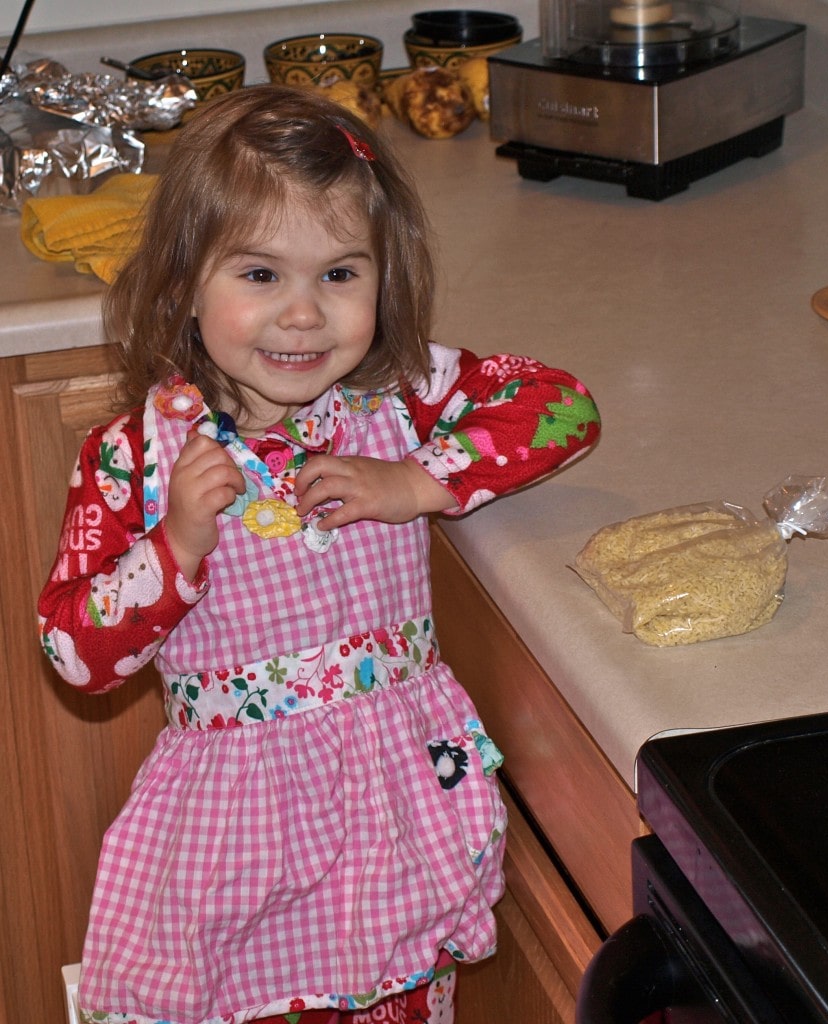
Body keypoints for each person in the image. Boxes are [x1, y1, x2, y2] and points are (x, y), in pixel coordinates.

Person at [38, 84, 601, 1024]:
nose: (304, 317)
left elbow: (564, 405)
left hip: (394, 819)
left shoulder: (400, 394)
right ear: (182, 283)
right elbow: (74, 655)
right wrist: (174, 545)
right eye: (260, 276)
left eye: (340, 275)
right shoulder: (133, 457)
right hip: (235, 849)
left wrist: (419, 482)